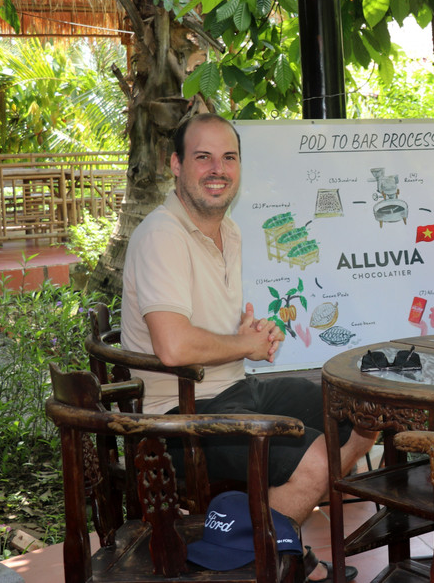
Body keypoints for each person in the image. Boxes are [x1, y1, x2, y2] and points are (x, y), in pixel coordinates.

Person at [121, 112, 375, 581]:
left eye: (229, 157)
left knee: (357, 413)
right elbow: (172, 346)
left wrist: (247, 333)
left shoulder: (229, 231)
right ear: (176, 164)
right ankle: (257, 559)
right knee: (318, 460)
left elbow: (208, 328)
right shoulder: (162, 234)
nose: (218, 169)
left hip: (233, 388)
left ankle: (267, 543)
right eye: (203, 157)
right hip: (178, 415)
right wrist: (243, 343)